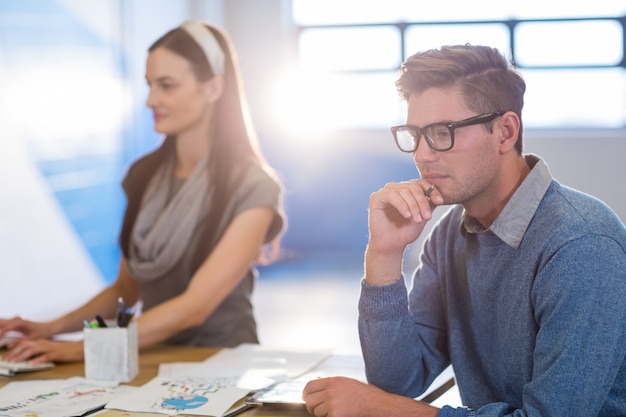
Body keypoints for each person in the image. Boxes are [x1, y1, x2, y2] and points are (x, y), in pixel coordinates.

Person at [303, 44, 626, 416]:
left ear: (505, 132)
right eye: (415, 134)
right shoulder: (448, 237)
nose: (422, 155)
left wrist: (391, 411)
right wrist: (385, 256)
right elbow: (398, 382)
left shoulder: (581, 246)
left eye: (443, 132)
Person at [0, 20, 285, 363]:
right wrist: (51, 328)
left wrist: (79, 349)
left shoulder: (254, 188)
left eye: (167, 86)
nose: (152, 99)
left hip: (225, 362)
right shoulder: (143, 175)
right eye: (149, 85)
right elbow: (126, 289)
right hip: (153, 355)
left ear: (212, 89)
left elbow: (195, 307)